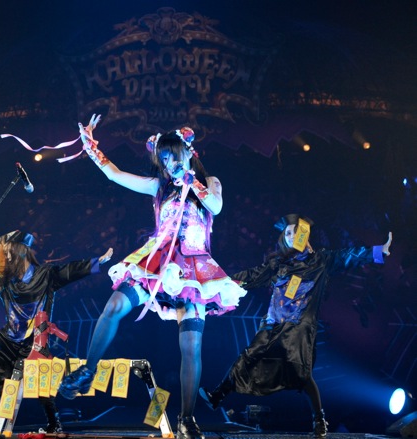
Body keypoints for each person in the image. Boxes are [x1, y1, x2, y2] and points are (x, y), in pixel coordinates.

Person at [57, 115, 247, 439]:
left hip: (193, 270)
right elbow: (114, 174)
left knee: (191, 344)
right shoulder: (160, 187)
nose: (169, 163)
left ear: (187, 153)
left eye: (173, 156)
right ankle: (87, 371)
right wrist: (90, 146)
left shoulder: (209, 181)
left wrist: (191, 180)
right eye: (164, 158)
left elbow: (215, 206)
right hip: (156, 262)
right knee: (114, 305)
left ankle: (187, 419)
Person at [198, 214, 393, 439]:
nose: (292, 236)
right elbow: (252, 275)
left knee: (301, 374)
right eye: (288, 233)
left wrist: (378, 251)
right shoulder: (278, 264)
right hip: (273, 323)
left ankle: (319, 420)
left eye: (296, 232)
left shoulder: (320, 260)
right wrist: (221, 283)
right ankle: (217, 396)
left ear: (305, 235)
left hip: (299, 326)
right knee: (249, 355)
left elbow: (348, 255)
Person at [0, 229, 114, 433]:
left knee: (40, 379)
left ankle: (54, 422)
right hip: (9, 338)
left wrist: (98, 262)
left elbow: (69, 271)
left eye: (10, 251)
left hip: (35, 340)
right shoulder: (4, 280)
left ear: (23, 251)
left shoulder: (45, 275)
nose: (7, 256)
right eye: (5, 252)